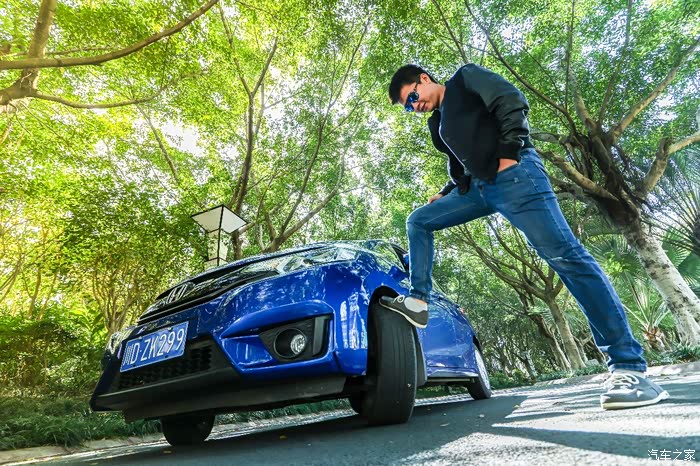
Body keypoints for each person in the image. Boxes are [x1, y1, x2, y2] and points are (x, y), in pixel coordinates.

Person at [379, 63, 669, 410]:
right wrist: (446, 192)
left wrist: (508, 154)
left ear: (424, 79)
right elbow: (464, 164)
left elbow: (510, 100)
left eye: (412, 98)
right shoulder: (436, 123)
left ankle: (629, 367)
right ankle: (419, 300)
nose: (414, 107)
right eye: (408, 108)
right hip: (479, 189)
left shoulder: (465, 79)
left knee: (567, 258)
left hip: (514, 175)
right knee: (419, 221)